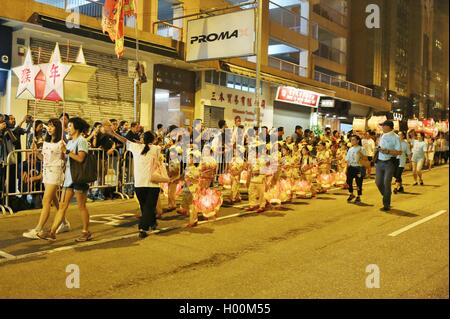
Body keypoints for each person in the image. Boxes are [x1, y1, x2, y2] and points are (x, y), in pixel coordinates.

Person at [38, 117, 92, 242]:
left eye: (70, 126)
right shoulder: (71, 141)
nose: (68, 128)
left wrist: (66, 151)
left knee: (81, 206)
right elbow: (67, 157)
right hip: (69, 178)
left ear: (76, 128)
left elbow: (80, 159)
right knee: (62, 206)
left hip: (79, 178)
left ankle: (86, 231)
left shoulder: (81, 141)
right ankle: (52, 232)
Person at [108, 129, 162, 238]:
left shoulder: (135, 147)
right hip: (153, 183)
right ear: (154, 140)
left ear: (142, 139)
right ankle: (147, 225)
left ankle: (147, 225)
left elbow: (124, 140)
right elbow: (151, 147)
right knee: (149, 207)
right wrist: (143, 143)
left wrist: (113, 133)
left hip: (139, 183)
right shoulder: (157, 148)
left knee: (144, 206)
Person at [23, 119, 71, 239]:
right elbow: (43, 158)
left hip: (56, 172)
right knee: (54, 198)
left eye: (52, 126)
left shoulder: (61, 143)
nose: (49, 128)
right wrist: (36, 152)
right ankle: (64, 223)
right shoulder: (46, 141)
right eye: (48, 126)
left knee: (46, 201)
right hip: (46, 171)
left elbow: (66, 159)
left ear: (57, 128)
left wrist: (64, 153)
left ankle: (38, 229)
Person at [375, 120, 401, 211]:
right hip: (379, 162)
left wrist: (388, 151)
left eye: (383, 126)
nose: (382, 127)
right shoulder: (382, 135)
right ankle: (387, 194)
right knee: (378, 182)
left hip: (389, 163)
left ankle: (386, 204)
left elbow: (399, 152)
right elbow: (380, 147)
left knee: (386, 183)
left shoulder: (396, 137)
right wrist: (378, 149)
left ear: (389, 127)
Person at [345, 135, 366, 203]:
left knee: (358, 183)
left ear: (358, 141)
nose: (352, 141)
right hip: (351, 167)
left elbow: (365, 159)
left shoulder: (361, 148)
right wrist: (346, 169)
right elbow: (347, 160)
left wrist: (360, 154)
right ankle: (351, 194)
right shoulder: (350, 149)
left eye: (353, 140)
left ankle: (358, 196)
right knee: (348, 181)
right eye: (351, 140)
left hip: (358, 168)